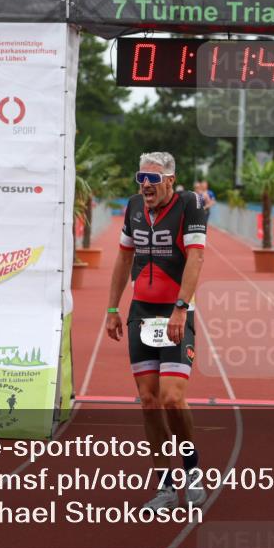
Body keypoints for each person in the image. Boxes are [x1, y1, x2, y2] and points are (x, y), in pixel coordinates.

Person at [105, 151, 208, 510]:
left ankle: (192, 471)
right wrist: (113, 308)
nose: (145, 186)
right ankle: (165, 486)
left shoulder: (190, 205)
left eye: (152, 179)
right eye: (140, 178)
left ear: (170, 180)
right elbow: (122, 258)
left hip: (174, 310)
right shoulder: (134, 207)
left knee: (171, 398)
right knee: (149, 402)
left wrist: (181, 308)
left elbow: (196, 257)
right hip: (141, 313)